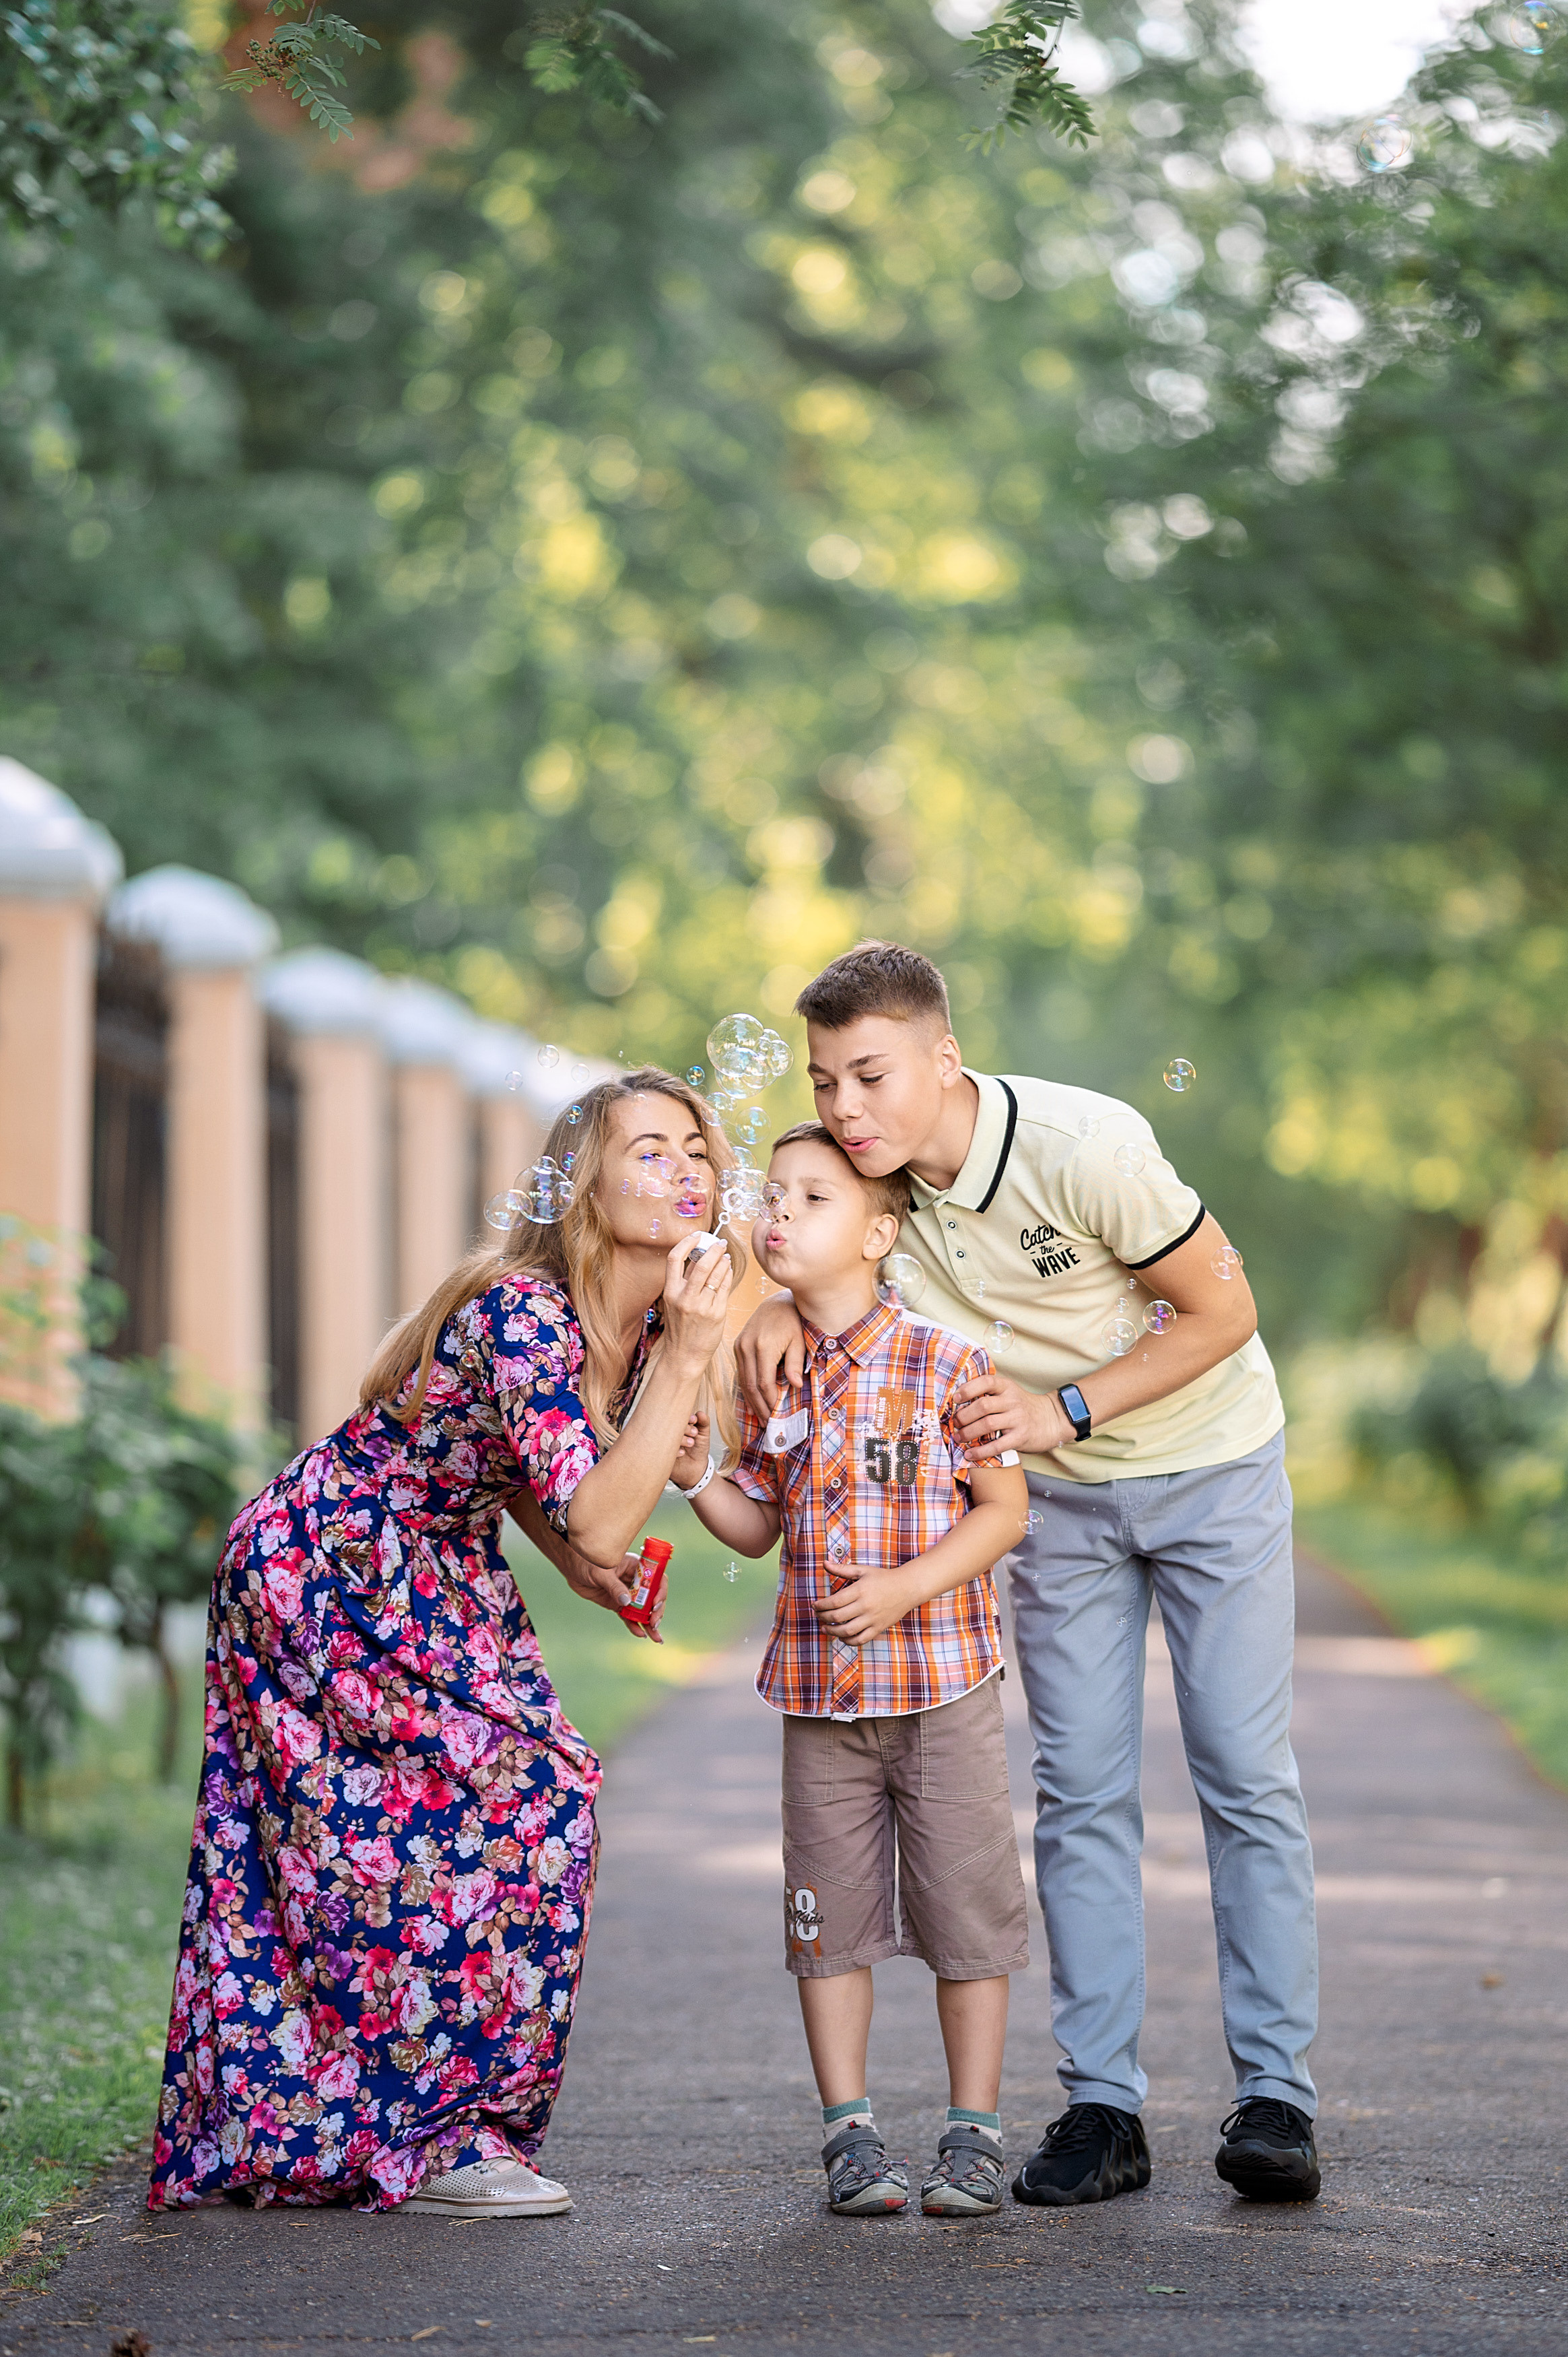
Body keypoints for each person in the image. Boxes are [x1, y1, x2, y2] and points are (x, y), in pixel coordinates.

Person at [735, 944, 1322, 2209]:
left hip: (1208, 1464)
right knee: (1082, 1789)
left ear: (943, 1058)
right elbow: (801, 1252)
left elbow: (1224, 1311)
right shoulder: (873, 1187)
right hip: (1056, 1507)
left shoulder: (1082, 1143)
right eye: (825, 1079)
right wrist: (770, 1311)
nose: (844, 1109)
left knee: (1240, 1769)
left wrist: (1065, 1405)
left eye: (870, 1075)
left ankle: (1275, 2095)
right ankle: (1101, 2106)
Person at [148, 1069, 735, 2220]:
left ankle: (409, 2127)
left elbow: (542, 1485)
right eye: (651, 1149)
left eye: (698, 1151)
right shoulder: (526, 1309)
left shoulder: (653, 1312)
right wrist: (682, 1370)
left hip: (438, 1561)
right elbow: (605, 1505)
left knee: (493, 1806)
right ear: (581, 1183)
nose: (685, 1170)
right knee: (447, 1817)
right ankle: (430, 2140)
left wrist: (576, 1564)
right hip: (328, 1563)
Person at [673, 1120, 1030, 2219]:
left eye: (813, 1198)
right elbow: (757, 1529)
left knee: (966, 1913)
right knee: (823, 1917)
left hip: (943, 1689)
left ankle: (971, 2133)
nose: (778, 1213)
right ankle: (851, 2137)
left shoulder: (951, 1364)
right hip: (820, 1703)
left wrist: (902, 1589)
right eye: (771, 1194)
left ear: (879, 1230)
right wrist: (694, 1479)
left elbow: (1004, 1513)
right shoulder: (768, 1374)